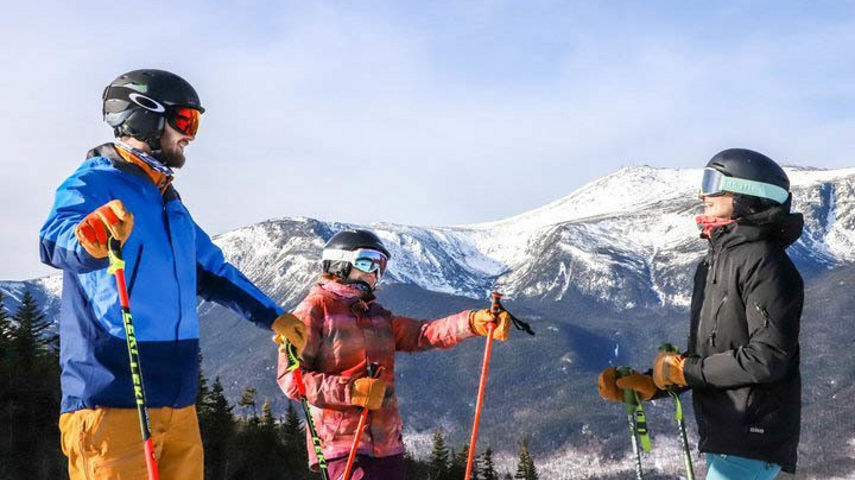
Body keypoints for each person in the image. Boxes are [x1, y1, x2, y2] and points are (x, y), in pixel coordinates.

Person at [39, 69, 307, 479]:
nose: (191, 136)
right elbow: (54, 238)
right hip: (113, 400)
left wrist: (274, 316)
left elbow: (214, 272)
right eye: (185, 121)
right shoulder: (94, 182)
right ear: (144, 117)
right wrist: (90, 237)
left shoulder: (170, 202)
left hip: (179, 402)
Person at [597, 148, 804, 479]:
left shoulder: (765, 263)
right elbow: (707, 357)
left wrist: (686, 372)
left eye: (714, 182)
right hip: (726, 435)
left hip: (752, 433)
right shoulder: (713, 263)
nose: (703, 193)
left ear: (749, 194)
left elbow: (769, 357)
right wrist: (655, 384)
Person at [277, 229, 512, 480]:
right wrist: (352, 390)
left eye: (381, 265)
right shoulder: (315, 310)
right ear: (339, 262)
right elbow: (292, 380)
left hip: (387, 446)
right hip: (344, 445)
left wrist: (472, 322)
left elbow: (423, 333)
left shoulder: (375, 315)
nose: (374, 272)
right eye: (367, 261)